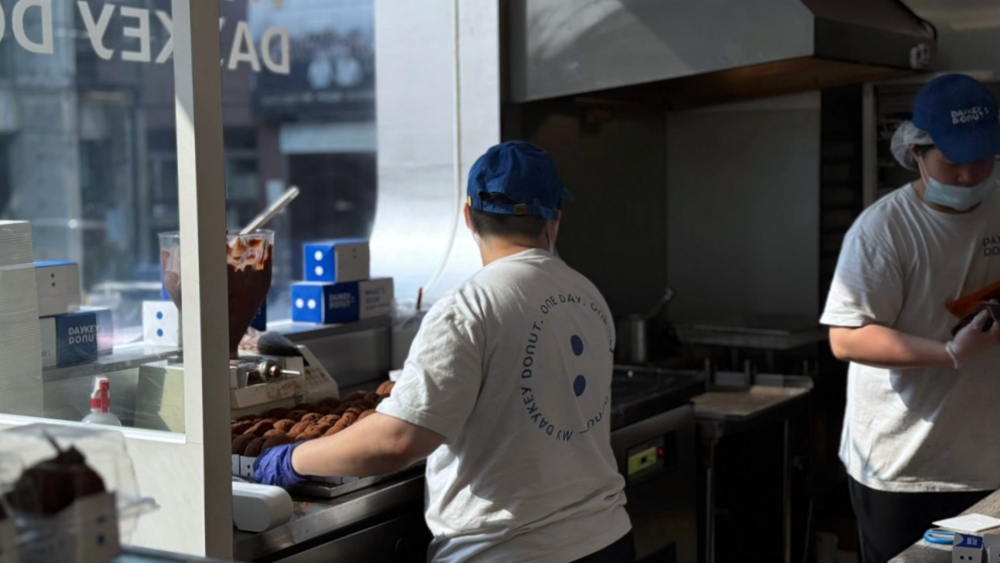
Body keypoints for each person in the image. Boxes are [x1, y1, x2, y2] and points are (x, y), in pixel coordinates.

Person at [256, 141, 633, 563]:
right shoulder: (589, 295)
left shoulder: (469, 306)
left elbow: (398, 441)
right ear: (554, 221)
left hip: (509, 552)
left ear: (468, 216)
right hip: (606, 539)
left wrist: (291, 460)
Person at [821, 73, 1000, 563]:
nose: (968, 176)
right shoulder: (883, 230)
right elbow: (847, 338)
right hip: (907, 467)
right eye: (953, 162)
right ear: (917, 152)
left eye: (981, 160)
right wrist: (949, 354)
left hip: (988, 460)